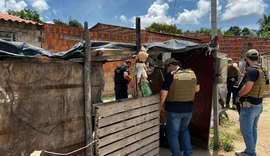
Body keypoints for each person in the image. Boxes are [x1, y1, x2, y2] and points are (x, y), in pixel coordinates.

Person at [159, 58, 200, 156]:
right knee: (184, 131)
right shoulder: (191, 74)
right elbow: (197, 89)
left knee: (172, 134)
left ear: (169, 66)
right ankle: (188, 154)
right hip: (188, 109)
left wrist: (160, 106)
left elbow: (163, 93)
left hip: (174, 110)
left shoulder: (170, 76)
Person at [235, 49, 269, 156]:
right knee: (253, 129)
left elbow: (248, 87)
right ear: (258, 58)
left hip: (249, 106)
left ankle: (251, 153)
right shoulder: (262, 70)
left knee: (246, 130)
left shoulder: (252, 70)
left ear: (246, 59)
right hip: (258, 105)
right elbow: (267, 87)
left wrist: (239, 95)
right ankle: (249, 149)